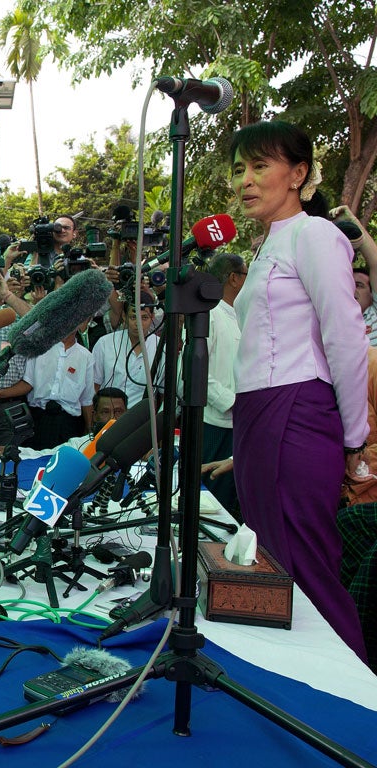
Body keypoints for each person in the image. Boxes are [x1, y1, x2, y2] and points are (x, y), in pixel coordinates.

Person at [229, 120, 368, 660]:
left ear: (299, 174)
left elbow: (345, 334)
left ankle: (352, 704)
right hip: (258, 414)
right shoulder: (267, 248)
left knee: (306, 569)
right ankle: (292, 686)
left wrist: (354, 438)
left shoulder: (315, 235)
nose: (246, 179)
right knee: (269, 562)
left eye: (261, 166)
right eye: (241, 168)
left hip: (296, 413)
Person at [202, 252, 246, 516]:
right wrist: (232, 403)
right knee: (211, 502)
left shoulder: (240, 315)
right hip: (215, 424)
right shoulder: (209, 314)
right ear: (234, 278)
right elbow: (194, 373)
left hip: (240, 423)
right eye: (246, 275)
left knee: (232, 502)